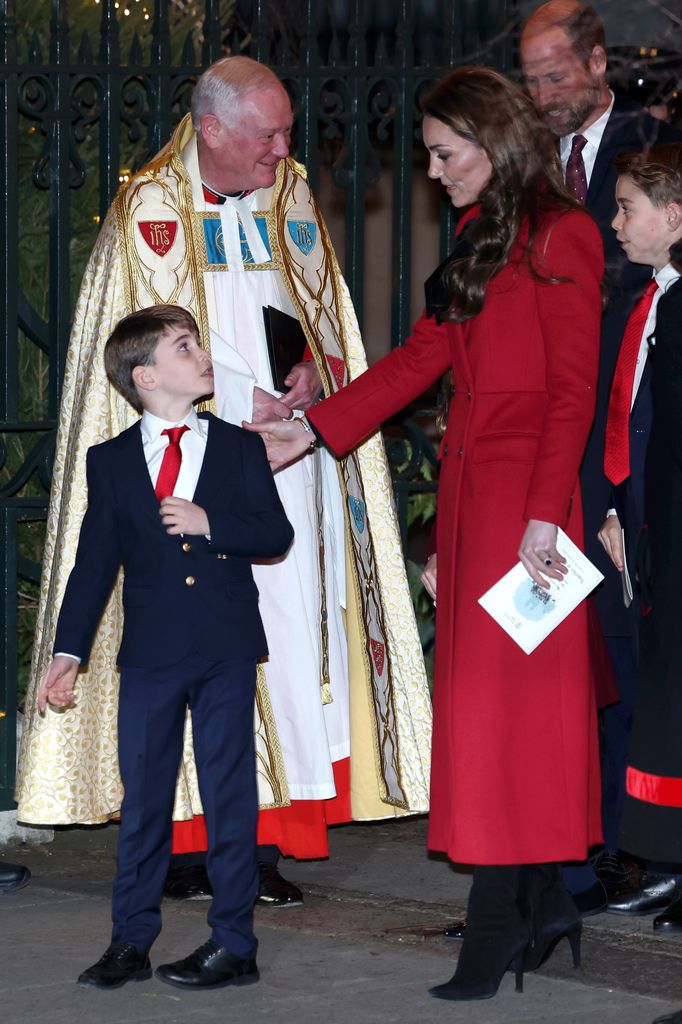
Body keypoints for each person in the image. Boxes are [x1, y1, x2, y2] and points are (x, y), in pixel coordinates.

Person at [15, 56, 432, 901]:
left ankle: (263, 844)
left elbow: (322, 315)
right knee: (192, 641)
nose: (285, 149)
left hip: (287, 459)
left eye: (286, 131)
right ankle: (187, 844)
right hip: (196, 465)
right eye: (267, 134)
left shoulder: (293, 197)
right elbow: (135, 359)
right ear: (210, 129)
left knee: (284, 638)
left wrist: (318, 368)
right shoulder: (149, 211)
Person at [246, 65, 604, 1001]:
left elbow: (573, 394)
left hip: (530, 511)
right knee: (493, 721)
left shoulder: (566, 234)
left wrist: (540, 514)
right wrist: (311, 431)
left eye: (446, 154)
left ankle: (500, 926)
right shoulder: (482, 234)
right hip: (474, 501)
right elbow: (423, 355)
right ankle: (536, 910)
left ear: (496, 143)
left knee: (510, 722)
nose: (435, 172)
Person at [37, 304, 294, 990]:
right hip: (150, 653)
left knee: (228, 795)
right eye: (185, 347)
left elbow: (274, 534)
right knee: (145, 799)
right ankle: (129, 941)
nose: (201, 353)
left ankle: (234, 943)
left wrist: (213, 522)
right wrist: (69, 652)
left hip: (225, 646)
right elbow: (93, 563)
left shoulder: (238, 448)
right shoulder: (113, 461)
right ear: (146, 376)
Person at [521, 0, 682, 914]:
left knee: (649, 665)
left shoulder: (653, 144)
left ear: (597, 60)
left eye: (555, 72)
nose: (542, 92)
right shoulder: (529, 168)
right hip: (595, 457)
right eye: (529, 76)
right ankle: (616, 843)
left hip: (642, 466)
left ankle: (644, 846)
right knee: (610, 662)